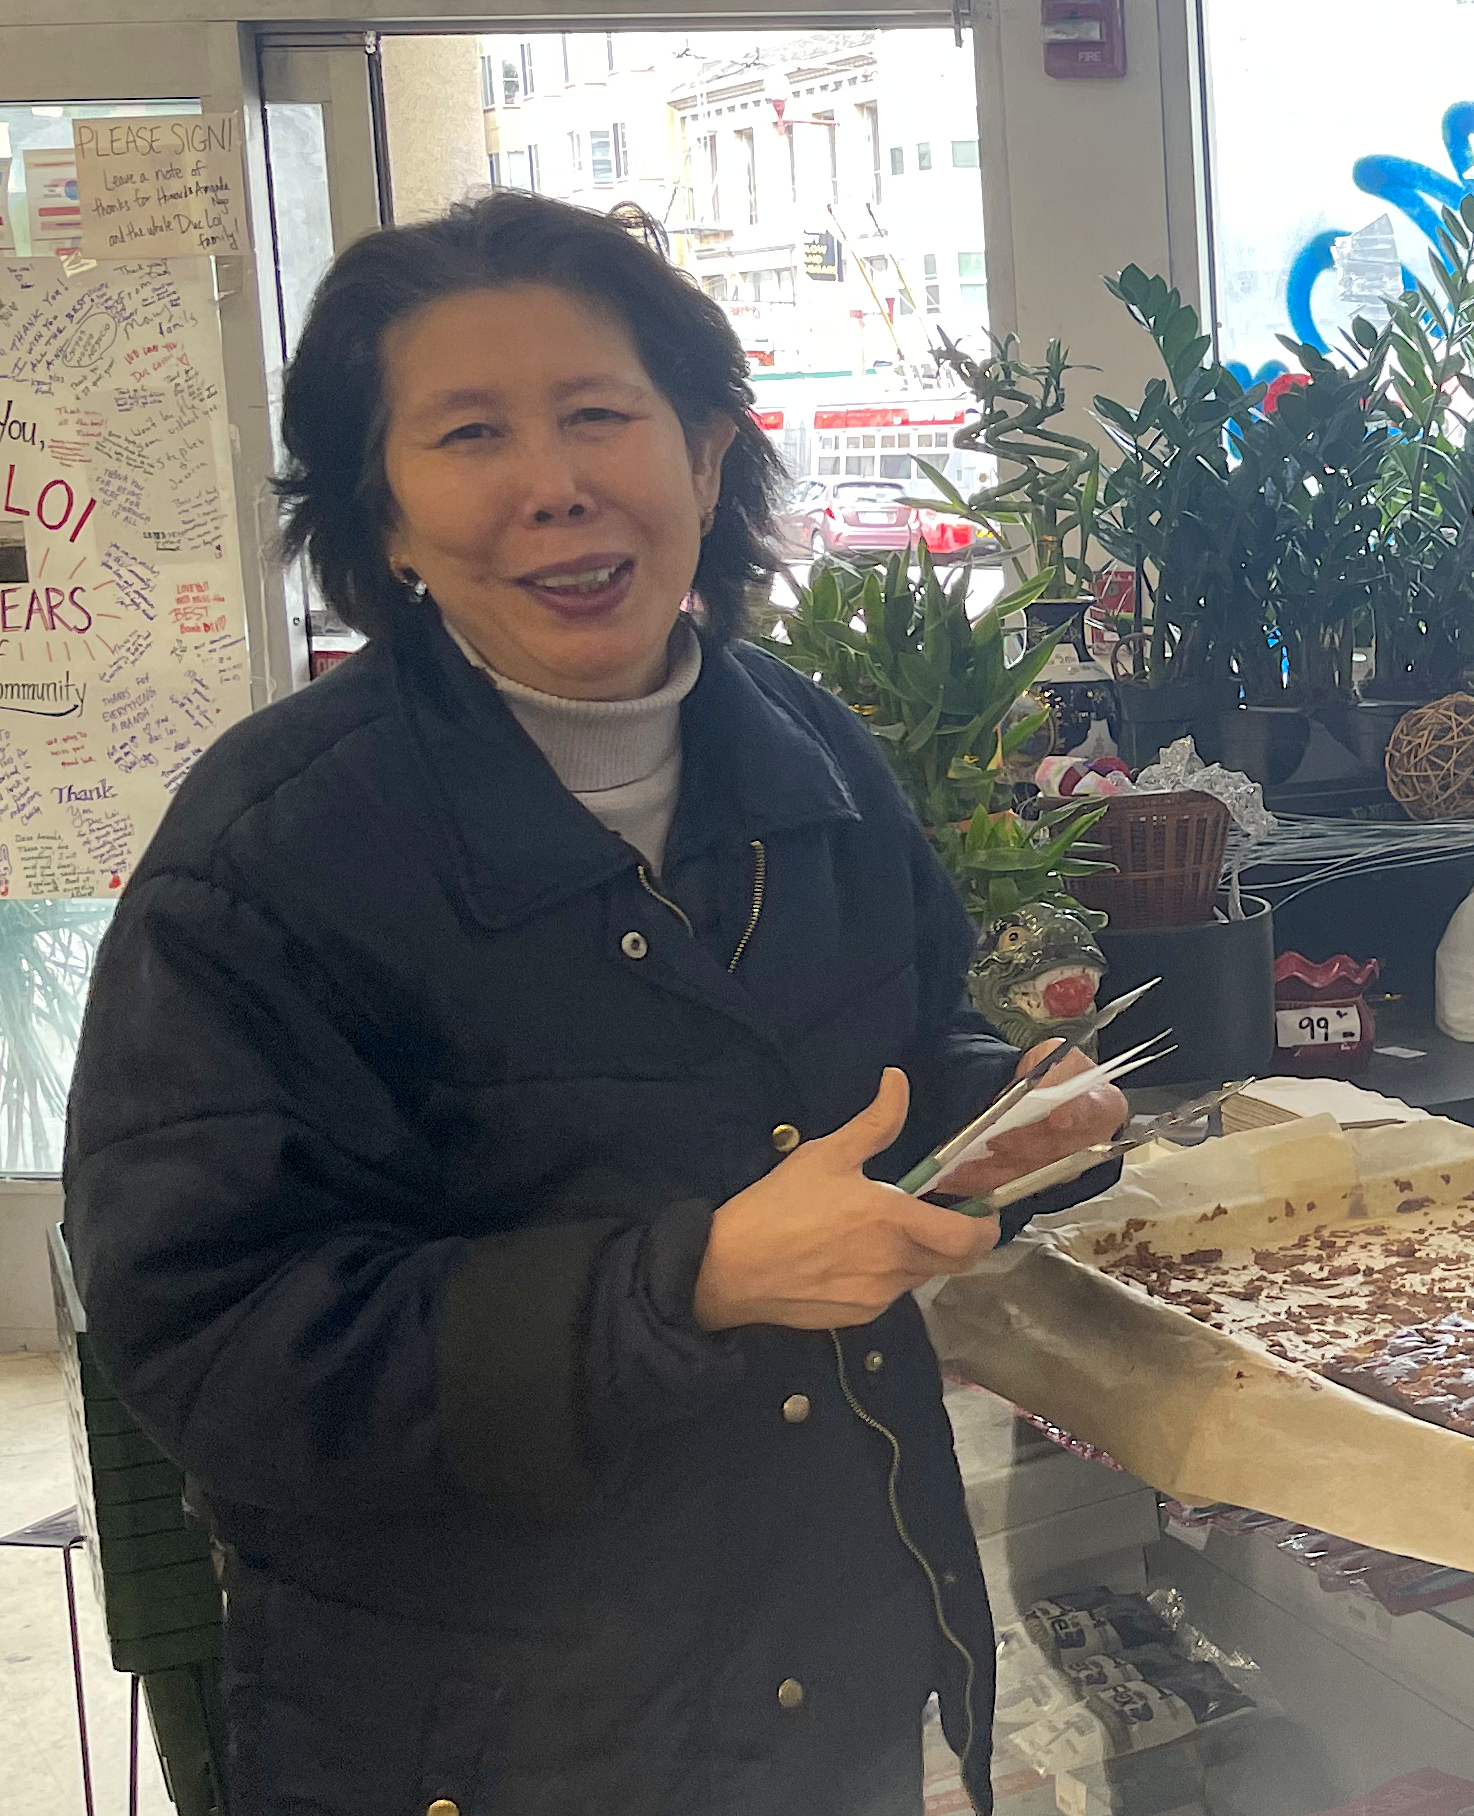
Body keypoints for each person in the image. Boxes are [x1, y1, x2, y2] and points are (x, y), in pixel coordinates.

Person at [61, 192, 1123, 1815]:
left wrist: (1005, 1116)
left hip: (819, 1669)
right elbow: (214, 1344)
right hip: (477, 1733)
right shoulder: (275, 852)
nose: (553, 485)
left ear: (704, 456)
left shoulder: (811, 758)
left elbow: (889, 1061)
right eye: (470, 433)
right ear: (387, 520)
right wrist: (677, 1285)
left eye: (598, 416)